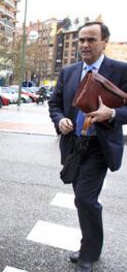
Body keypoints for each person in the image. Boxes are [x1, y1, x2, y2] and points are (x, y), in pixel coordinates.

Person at [48, 22, 127, 272]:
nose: (84, 44)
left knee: (85, 197)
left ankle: (89, 254)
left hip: (98, 146)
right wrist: (60, 120)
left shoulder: (121, 70)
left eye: (91, 40)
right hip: (74, 145)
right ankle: (87, 245)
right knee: (81, 199)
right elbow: (55, 103)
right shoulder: (69, 72)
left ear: (104, 41)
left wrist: (112, 113)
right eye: (82, 40)